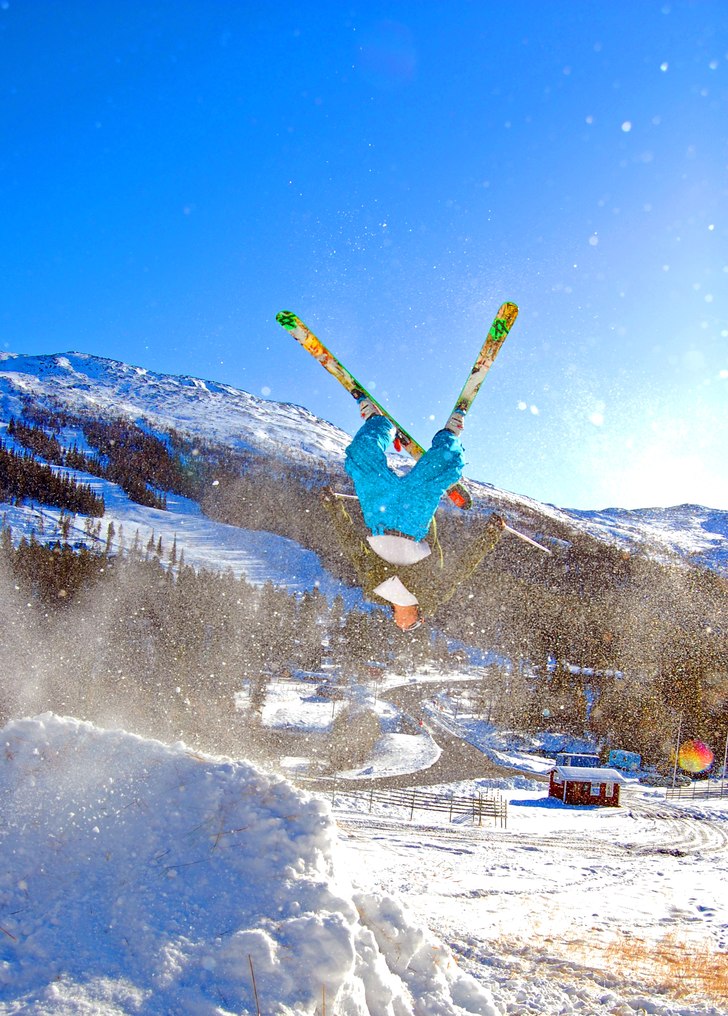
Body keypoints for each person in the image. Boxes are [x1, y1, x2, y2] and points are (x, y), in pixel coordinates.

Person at [320, 398, 505, 631]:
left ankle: (378, 423)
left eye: (403, 629)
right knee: (444, 463)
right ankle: (451, 433)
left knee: (360, 459)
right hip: (412, 521)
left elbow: (352, 545)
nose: (403, 627)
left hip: (379, 515)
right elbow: (462, 568)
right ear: (420, 617)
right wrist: (489, 536)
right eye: (412, 627)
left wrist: (333, 507)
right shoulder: (431, 595)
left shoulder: (376, 590)